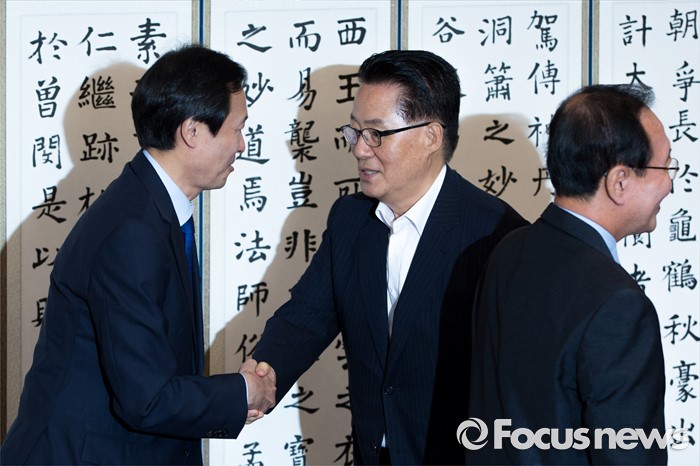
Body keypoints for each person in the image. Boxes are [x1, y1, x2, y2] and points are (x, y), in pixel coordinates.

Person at [1, 45, 275, 465]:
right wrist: (242, 392)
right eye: (236, 129)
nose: (241, 144)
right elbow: (147, 398)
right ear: (192, 131)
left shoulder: (148, 208)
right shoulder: (133, 231)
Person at [252, 49, 528, 465]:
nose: (360, 150)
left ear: (431, 136)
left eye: (377, 134)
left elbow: (518, 381)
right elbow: (305, 317)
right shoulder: (350, 220)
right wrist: (262, 375)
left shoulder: (498, 235)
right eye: (355, 131)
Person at [467, 84, 671, 465]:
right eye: (665, 166)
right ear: (620, 181)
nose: (670, 184)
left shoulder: (508, 250)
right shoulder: (619, 305)